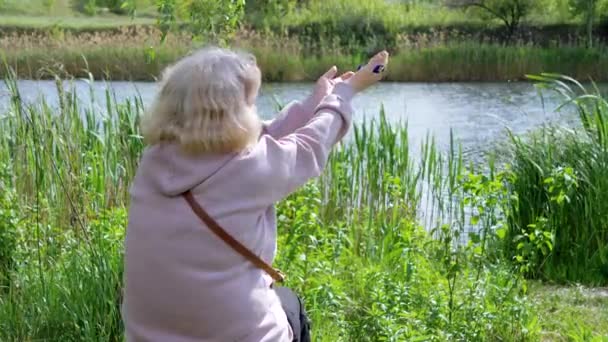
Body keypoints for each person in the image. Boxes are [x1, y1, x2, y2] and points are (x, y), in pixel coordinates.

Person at [122, 46, 389, 342]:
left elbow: (255, 142)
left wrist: (314, 102)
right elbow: (310, 147)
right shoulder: (247, 169)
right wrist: (345, 93)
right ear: (229, 114)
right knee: (291, 307)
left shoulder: (154, 161)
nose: (252, 112)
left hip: (148, 337)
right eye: (248, 104)